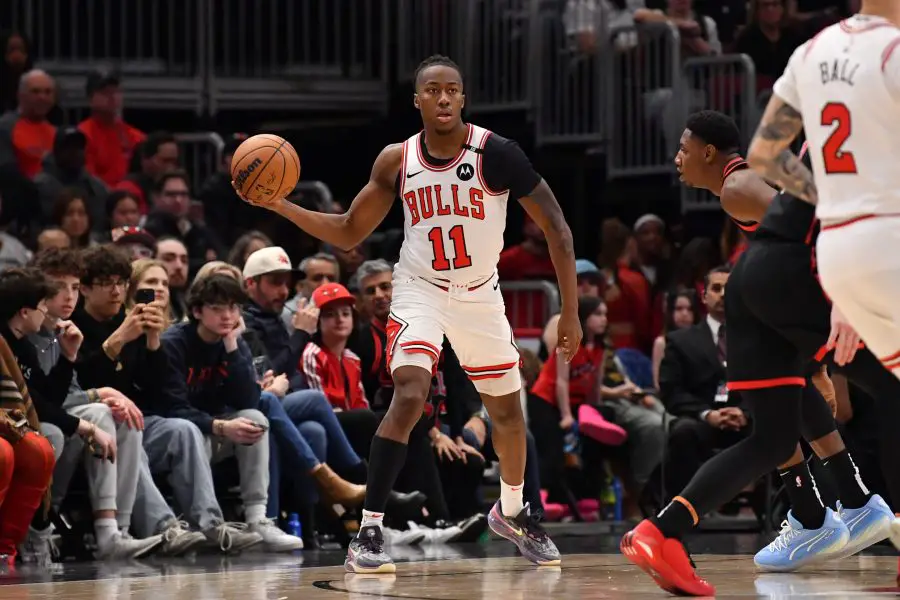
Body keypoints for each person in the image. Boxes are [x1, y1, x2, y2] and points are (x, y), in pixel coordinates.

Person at [233, 54, 580, 573]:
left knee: (508, 415)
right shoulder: (397, 160)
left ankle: (511, 512)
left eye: (452, 90)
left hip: (480, 295)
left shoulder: (497, 154)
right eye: (432, 90)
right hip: (419, 289)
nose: (443, 98)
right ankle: (369, 532)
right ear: (417, 100)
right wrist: (281, 205)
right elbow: (350, 231)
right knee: (411, 393)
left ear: (463, 98)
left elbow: (557, 229)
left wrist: (569, 312)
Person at [622, 110, 898, 595]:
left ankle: (665, 532)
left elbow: (798, 228)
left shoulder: (738, 185)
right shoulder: (750, 183)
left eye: (684, 148)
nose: (677, 158)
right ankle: (844, 505)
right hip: (779, 281)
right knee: (835, 401)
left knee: (772, 435)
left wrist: (827, 321)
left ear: (710, 152)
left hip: (772, 280)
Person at [746, 2, 900, 382]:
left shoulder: (811, 51)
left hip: (835, 251)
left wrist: (832, 197)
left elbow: (763, 155)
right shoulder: (893, 51)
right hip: (888, 237)